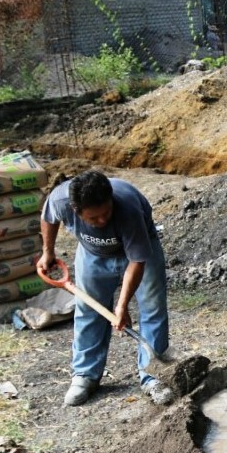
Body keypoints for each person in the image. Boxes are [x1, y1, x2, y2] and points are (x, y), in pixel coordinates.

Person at [38, 170, 172, 407]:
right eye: (93, 218)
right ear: (76, 210)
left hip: (140, 252)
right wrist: (48, 251)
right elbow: (49, 217)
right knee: (88, 311)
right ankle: (85, 375)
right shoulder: (61, 200)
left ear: (111, 200)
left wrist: (122, 305)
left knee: (152, 308)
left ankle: (153, 377)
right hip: (92, 254)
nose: (102, 221)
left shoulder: (128, 209)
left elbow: (137, 262)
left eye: (106, 213)